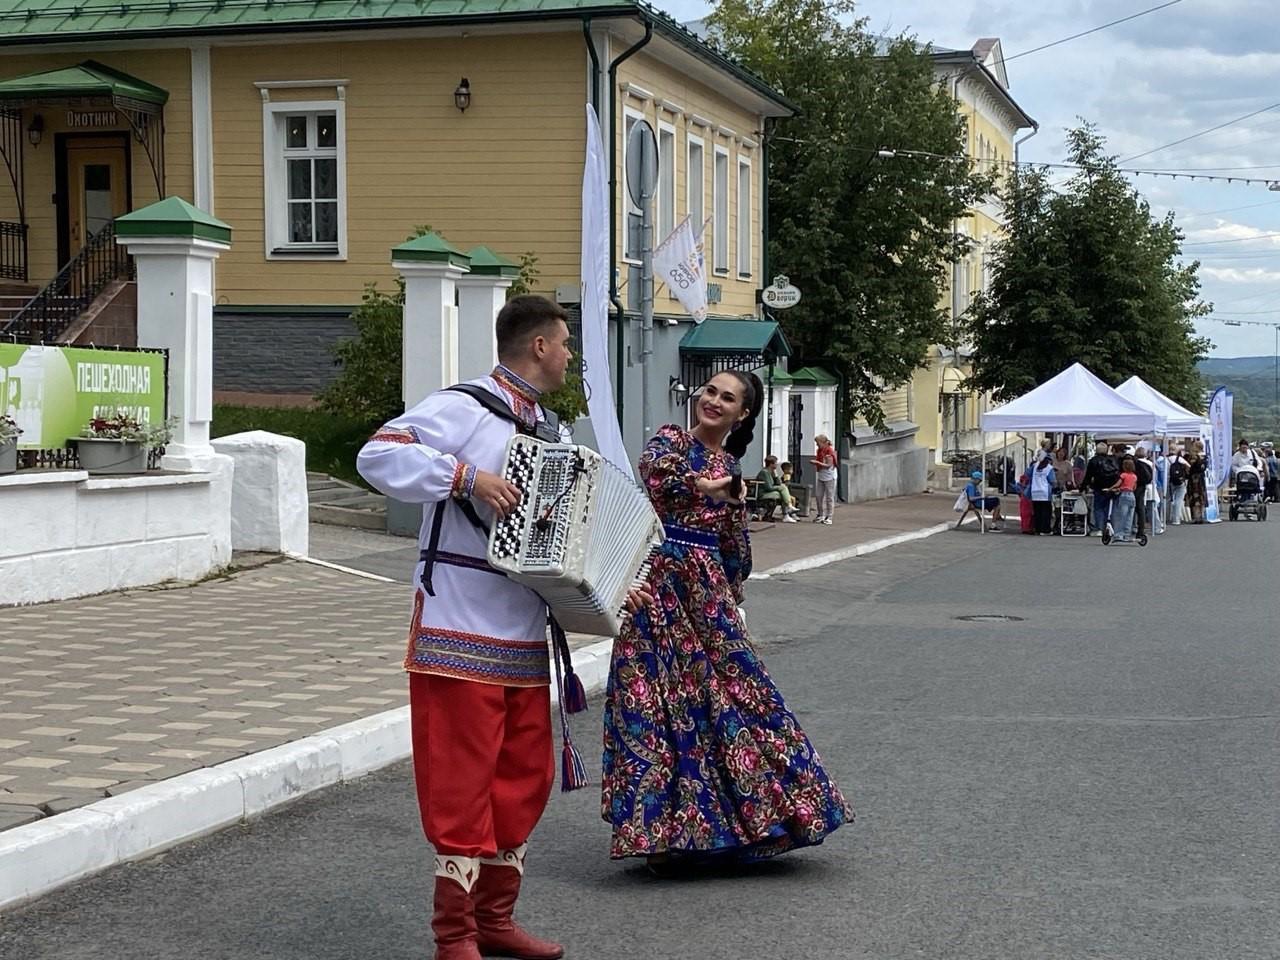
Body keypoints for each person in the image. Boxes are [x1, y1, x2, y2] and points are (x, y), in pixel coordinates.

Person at [357, 295, 574, 960]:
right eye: (564, 343)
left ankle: (494, 920)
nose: (569, 355)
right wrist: (465, 476)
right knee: (461, 782)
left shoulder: (553, 430)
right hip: (457, 621)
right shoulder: (462, 406)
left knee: (521, 776)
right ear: (538, 346)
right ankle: (454, 936)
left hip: (522, 629)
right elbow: (377, 456)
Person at [602, 371, 853, 869]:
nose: (714, 400)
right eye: (711, 391)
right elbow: (657, 476)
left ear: (742, 415)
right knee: (650, 704)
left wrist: (731, 578)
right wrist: (708, 487)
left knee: (732, 701)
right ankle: (659, 835)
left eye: (728, 398)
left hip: (708, 599)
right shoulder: (669, 442)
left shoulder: (734, 468)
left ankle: (763, 820)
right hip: (653, 587)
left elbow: (736, 552)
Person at [1080, 442, 1120, 536]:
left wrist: (1083, 487)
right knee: (1108, 508)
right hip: (1112, 487)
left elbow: (1088, 476)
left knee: (1098, 508)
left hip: (1099, 487)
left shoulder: (1093, 461)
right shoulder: (1113, 460)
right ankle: (1108, 527)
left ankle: (1100, 528)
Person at [755, 455, 798, 522]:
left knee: (782, 492)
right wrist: (779, 488)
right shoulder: (764, 473)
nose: (777, 464)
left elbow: (778, 483)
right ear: (771, 464)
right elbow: (769, 487)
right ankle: (786, 512)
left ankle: (787, 511)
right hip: (763, 493)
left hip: (768, 492)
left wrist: (776, 476)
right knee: (781, 492)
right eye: (776, 463)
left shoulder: (771, 472)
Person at [1106, 457, 1139, 542]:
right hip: (1132, 496)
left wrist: (1110, 489)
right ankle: (1127, 534)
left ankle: (1118, 535)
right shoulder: (1134, 476)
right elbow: (1134, 487)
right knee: (1129, 516)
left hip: (1124, 495)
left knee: (1121, 516)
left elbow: (1117, 484)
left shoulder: (1123, 475)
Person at [811, 434, 838, 524]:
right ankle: (820, 515)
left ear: (823, 443)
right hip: (821, 475)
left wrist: (816, 462)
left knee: (829, 497)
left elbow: (828, 465)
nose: (817, 445)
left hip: (829, 476)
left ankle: (829, 516)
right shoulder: (820, 450)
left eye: (818, 443)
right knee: (819, 496)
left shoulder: (829, 451)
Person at [1030, 454, 1056, 535]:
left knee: (1037, 512)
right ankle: (1045, 530)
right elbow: (1052, 480)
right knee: (1046, 512)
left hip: (1034, 492)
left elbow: (1028, 474)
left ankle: (1037, 529)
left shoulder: (1034, 466)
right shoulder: (1049, 468)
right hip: (1045, 493)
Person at [1167, 445, 1189, 525]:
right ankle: (1176, 519)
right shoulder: (1179, 459)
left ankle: (1166, 518)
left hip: (1169, 481)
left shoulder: (1166, 459)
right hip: (1180, 480)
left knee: (1168, 499)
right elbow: (1188, 466)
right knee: (1178, 500)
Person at [1186, 449, 1208, 524]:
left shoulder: (1193, 460)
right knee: (1199, 499)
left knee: (1195, 500)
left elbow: (1189, 470)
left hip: (1194, 482)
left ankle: (1197, 517)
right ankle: (1199, 516)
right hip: (1199, 482)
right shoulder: (1203, 459)